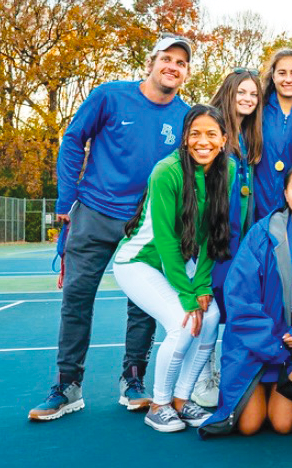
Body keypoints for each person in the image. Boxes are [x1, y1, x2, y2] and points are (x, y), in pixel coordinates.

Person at [29, 34, 192, 422]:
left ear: (186, 73)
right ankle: (68, 386)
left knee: (143, 306)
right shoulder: (109, 96)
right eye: (166, 59)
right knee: (76, 300)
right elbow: (72, 141)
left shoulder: (185, 116)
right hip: (93, 214)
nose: (172, 66)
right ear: (151, 63)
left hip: (145, 224)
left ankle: (133, 380)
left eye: (181, 62)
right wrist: (66, 200)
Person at [112, 104, 235, 432]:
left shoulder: (228, 170)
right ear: (184, 138)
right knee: (183, 323)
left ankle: (182, 399)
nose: (203, 141)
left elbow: (213, 232)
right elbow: (166, 241)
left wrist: (203, 286)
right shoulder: (166, 171)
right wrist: (186, 293)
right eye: (195, 134)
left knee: (211, 317)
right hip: (139, 263)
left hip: (179, 263)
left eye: (211, 134)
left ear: (224, 139)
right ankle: (160, 403)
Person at [199, 162, 292, 438]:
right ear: (285, 194)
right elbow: (240, 298)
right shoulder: (263, 234)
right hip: (255, 345)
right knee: (248, 425)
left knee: (282, 424)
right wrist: (272, 345)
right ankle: (255, 383)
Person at [191, 68, 265, 408]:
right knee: (208, 310)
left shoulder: (250, 137)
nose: (248, 100)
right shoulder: (212, 129)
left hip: (239, 240)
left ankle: (218, 370)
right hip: (213, 238)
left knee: (230, 309)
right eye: (242, 93)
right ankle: (198, 375)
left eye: (254, 94)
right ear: (229, 92)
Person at [254, 49, 292, 220]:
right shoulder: (257, 110)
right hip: (258, 207)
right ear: (273, 76)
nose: (288, 79)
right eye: (282, 73)